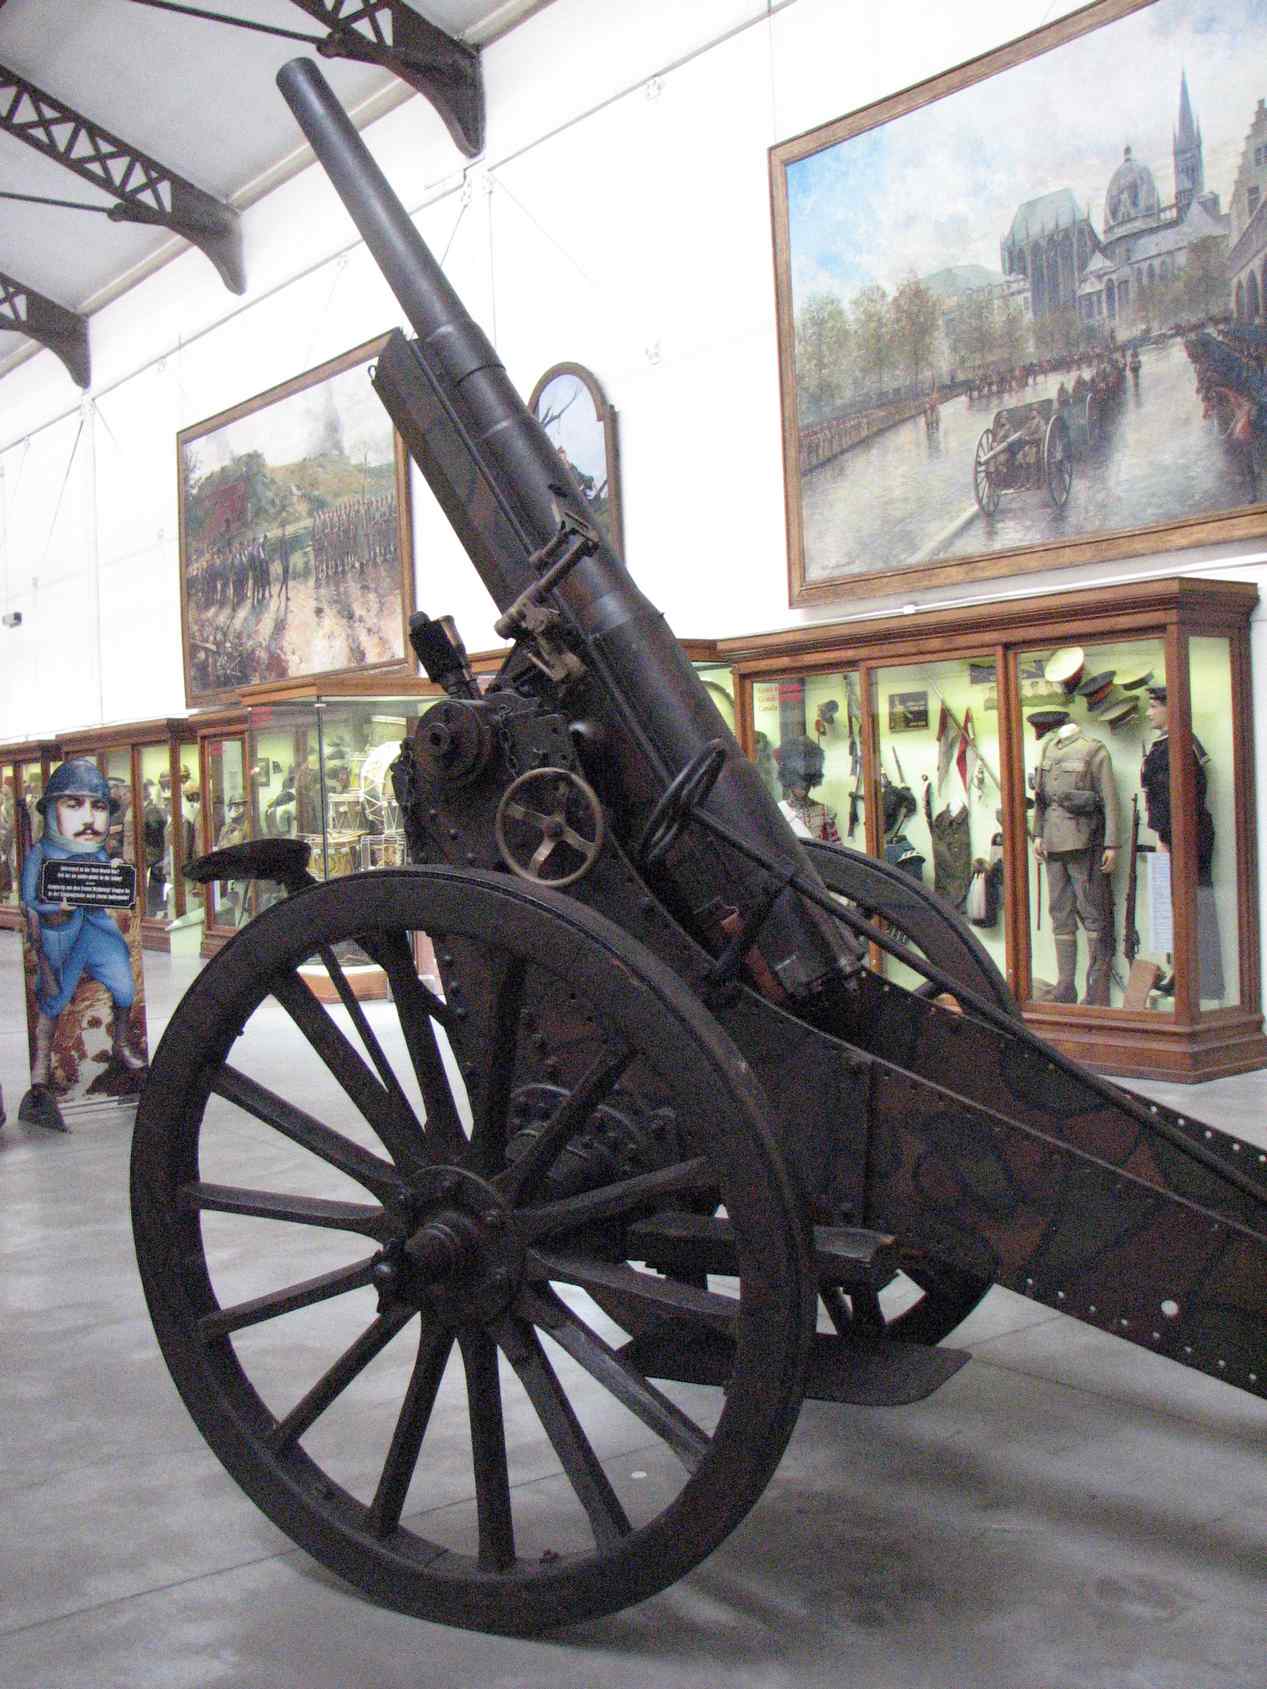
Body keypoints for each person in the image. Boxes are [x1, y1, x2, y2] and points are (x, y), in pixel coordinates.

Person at [20, 759, 145, 1118]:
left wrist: (115, 880)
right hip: (61, 935)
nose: (89, 817)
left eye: (99, 806)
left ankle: (120, 1044)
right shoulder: (41, 854)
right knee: (53, 1001)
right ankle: (42, 1067)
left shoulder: (98, 852)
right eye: (74, 805)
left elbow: (106, 887)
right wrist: (52, 909)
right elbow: (29, 901)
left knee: (124, 987)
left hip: (97, 930)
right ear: (52, 811)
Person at [1033, 721, 1119, 1005]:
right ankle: (1065, 985)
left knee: (1092, 913)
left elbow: (1110, 799)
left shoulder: (1093, 750)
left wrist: (1111, 844)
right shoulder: (1048, 748)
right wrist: (1037, 834)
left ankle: (1095, 990)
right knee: (1060, 913)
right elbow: (1041, 799)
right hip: (1052, 842)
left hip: (1083, 842)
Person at [774, 735, 840, 843]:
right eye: (798, 781)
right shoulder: (779, 813)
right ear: (788, 780)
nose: (803, 786)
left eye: (807, 780)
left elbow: (836, 847)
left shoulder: (825, 812)